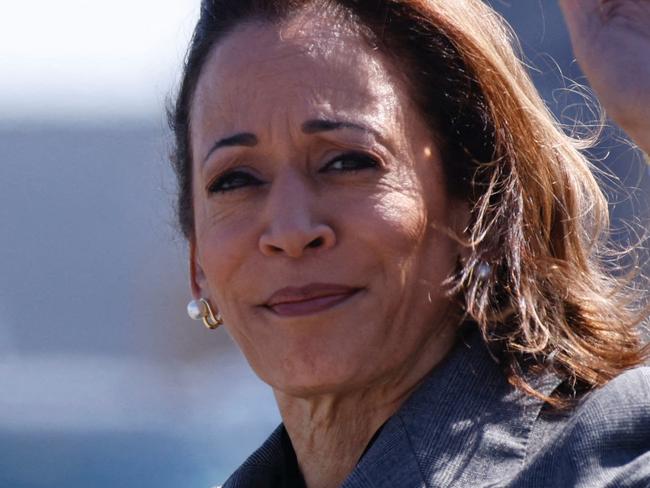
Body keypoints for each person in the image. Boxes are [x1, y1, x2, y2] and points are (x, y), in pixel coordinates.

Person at [169, 0, 650, 486]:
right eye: (236, 180)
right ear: (197, 264)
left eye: (347, 163)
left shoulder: (606, 459)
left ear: (478, 210)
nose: (291, 231)